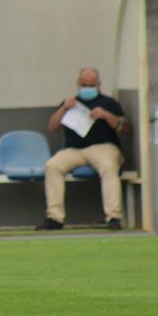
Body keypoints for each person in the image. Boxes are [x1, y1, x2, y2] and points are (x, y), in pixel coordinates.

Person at [37, 67, 130, 231]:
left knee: (109, 166)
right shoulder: (70, 103)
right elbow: (52, 127)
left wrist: (106, 115)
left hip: (103, 148)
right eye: (84, 85)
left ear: (99, 84)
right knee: (52, 165)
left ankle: (114, 217)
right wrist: (64, 109)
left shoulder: (109, 103)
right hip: (74, 149)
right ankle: (54, 218)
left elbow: (125, 128)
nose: (87, 88)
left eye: (91, 85)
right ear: (78, 83)